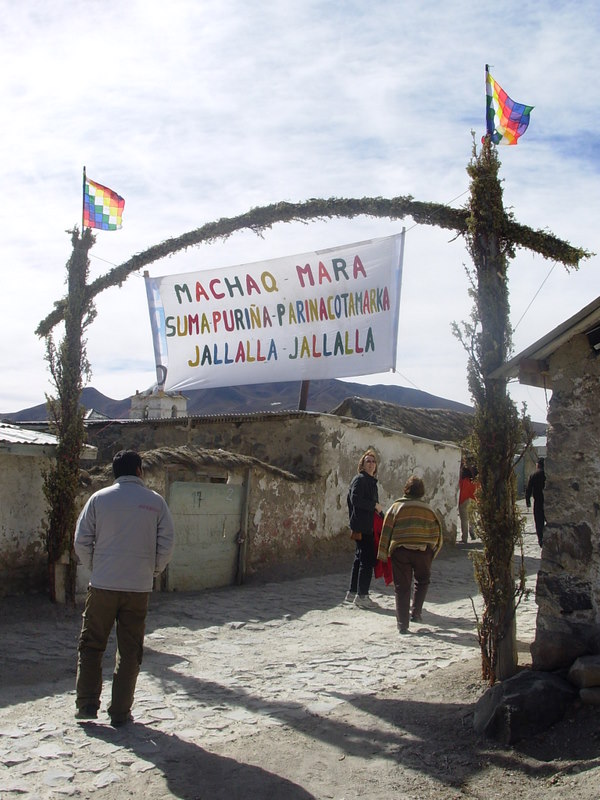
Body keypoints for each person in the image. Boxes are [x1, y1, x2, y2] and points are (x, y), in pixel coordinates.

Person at [74, 449, 175, 726]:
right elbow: (167, 543)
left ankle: (86, 705)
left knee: (92, 644)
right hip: (138, 588)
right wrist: (153, 570)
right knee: (130, 651)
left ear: (115, 472)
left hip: (103, 586)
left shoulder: (99, 499)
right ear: (140, 471)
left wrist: (97, 566)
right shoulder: (155, 503)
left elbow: (81, 541)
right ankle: (120, 712)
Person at [377, 475, 442, 634]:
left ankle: (402, 625)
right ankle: (417, 612)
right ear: (422, 492)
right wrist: (431, 550)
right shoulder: (428, 510)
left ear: (405, 489)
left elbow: (386, 530)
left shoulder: (396, 507)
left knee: (402, 587)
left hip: (401, 552)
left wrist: (383, 553)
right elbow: (437, 533)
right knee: (422, 581)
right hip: (422, 552)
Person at [345, 449, 384, 609]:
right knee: (366, 561)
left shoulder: (370, 481)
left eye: (373, 461)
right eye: (368, 461)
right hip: (363, 526)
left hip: (367, 524)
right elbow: (354, 500)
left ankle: (353, 592)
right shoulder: (360, 480)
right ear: (362, 464)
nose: (371, 464)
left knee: (359, 559)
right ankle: (362, 595)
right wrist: (373, 506)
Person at [526, 458, 546, 547]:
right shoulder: (547, 475)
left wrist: (528, 501)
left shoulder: (534, 475)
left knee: (539, 523)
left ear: (538, 465)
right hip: (548, 502)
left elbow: (529, 489)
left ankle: (541, 540)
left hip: (538, 502)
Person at [458, 463, 477, 543]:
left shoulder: (463, 481)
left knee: (464, 519)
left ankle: (464, 537)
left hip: (464, 499)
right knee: (472, 517)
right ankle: (472, 531)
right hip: (473, 499)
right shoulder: (475, 481)